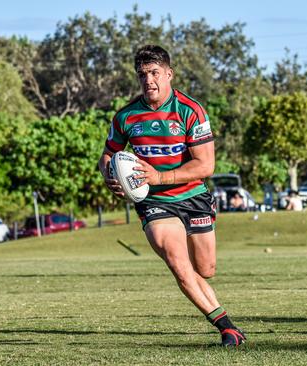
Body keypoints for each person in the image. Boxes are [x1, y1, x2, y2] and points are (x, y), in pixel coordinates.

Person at [98, 45, 246, 346]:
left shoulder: (190, 111)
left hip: (193, 196)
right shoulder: (126, 116)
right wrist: (110, 176)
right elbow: (108, 155)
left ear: (168, 74)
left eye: (154, 73)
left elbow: (205, 165)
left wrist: (161, 176)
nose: (148, 80)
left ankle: (208, 298)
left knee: (205, 269)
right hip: (153, 202)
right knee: (178, 265)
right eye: (142, 74)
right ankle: (227, 328)